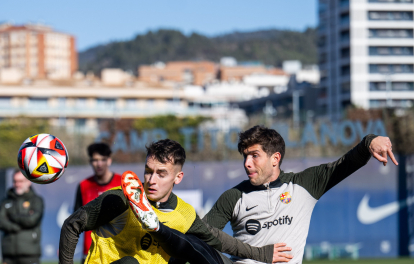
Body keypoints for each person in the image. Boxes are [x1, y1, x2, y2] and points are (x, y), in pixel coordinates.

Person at [60, 139, 292, 264]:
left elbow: (220, 240)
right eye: (148, 171)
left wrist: (262, 254)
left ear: (177, 178)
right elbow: (72, 225)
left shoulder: (185, 214)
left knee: (195, 250)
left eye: (161, 174)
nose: (151, 180)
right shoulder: (121, 198)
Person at [203, 125, 398, 264]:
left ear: (275, 158)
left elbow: (345, 164)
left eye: (254, 155)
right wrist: (255, 254)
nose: (247, 163)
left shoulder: (304, 184)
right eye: (245, 156)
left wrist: (369, 141)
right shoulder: (233, 196)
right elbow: (201, 237)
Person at [74, 143, 122, 261]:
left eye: (103, 160)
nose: (99, 164)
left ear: (109, 161)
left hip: (117, 251)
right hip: (90, 251)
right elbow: (77, 220)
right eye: (95, 160)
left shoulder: (122, 183)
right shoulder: (83, 186)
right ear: (90, 162)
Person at [0, 170, 44, 264]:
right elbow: (1, 221)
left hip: (30, 253)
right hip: (8, 254)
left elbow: (32, 220)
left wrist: (11, 216)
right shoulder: (6, 201)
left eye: (21, 181)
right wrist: (15, 226)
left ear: (28, 182)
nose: (17, 184)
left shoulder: (36, 200)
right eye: (15, 181)